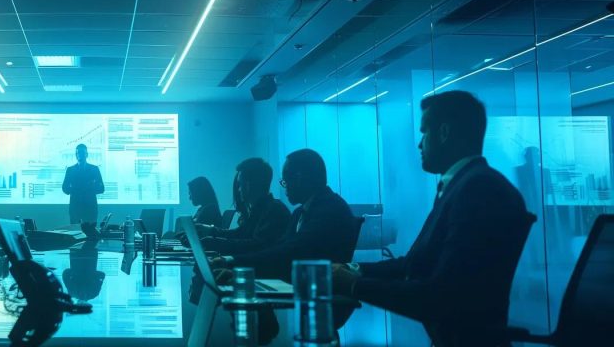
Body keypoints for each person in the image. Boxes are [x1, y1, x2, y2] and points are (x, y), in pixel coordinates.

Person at [332, 91, 534, 347]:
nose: (419, 144)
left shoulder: (478, 190)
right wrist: (355, 270)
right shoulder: (463, 185)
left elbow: (441, 296)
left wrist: (354, 285)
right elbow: (415, 264)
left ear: (444, 133)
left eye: (424, 132)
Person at [215, 149, 357, 280]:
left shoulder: (329, 210)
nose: (285, 187)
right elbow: (278, 249)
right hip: (299, 284)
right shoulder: (300, 212)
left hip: (317, 295)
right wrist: (235, 266)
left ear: (299, 178)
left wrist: (233, 263)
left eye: (285, 181)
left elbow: (288, 252)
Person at [194, 158, 291, 255]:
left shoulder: (274, 211)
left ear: (249, 185)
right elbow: (240, 234)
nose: (239, 190)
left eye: (240, 184)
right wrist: (211, 231)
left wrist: (213, 242)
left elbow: (257, 246)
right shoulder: (264, 208)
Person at [62, 143, 104, 225]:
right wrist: (77, 190)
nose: (80, 155)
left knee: (91, 235)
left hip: (90, 207)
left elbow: (101, 188)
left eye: (82, 153)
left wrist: (87, 189)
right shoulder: (70, 170)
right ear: (76, 155)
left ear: (87, 154)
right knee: (75, 233)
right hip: (75, 207)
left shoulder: (94, 169)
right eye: (78, 153)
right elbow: (64, 188)